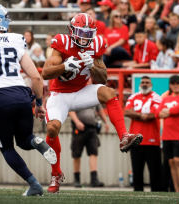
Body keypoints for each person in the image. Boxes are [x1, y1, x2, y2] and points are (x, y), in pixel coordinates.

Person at [42, 13, 143, 194]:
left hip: (81, 92)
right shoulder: (62, 43)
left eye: (88, 34)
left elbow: (102, 78)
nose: (84, 38)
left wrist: (93, 66)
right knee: (52, 129)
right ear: (72, 31)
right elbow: (46, 73)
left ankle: (124, 137)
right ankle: (56, 173)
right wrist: (64, 66)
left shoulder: (97, 44)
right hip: (60, 95)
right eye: (81, 33)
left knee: (109, 92)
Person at [0, 4, 57, 196]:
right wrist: (39, 105)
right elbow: (36, 78)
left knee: (7, 147)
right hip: (21, 96)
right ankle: (37, 141)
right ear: (6, 22)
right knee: (24, 141)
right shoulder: (16, 40)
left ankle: (34, 184)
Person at [69, 79, 109, 188]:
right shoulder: (76, 93)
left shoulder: (94, 95)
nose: (89, 81)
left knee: (93, 152)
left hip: (92, 128)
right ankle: (77, 179)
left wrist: (106, 122)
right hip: (79, 128)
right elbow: (70, 109)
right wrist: (77, 122)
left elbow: (99, 110)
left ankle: (94, 179)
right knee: (77, 153)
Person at [125, 76, 162, 192]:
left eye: (147, 82)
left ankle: (156, 194)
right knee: (137, 170)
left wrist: (136, 114)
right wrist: (142, 115)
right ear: (139, 84)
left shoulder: (156, 97)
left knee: (154, 170)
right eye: (143, 82)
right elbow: (126, 112)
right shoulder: (133, 96)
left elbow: (152, 116)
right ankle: (138, 194)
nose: (144, 84)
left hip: (152, 139)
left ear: (151, 84)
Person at [155, 75, 179, 192]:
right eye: (173, 83)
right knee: (170, 161)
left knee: (178, 160)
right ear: (170, 85)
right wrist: (169, 112)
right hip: (166, 135)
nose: (176, 85)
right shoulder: (165, 99)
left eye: (178, 83)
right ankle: (175, 188)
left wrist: (168, 111)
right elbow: (157, 114)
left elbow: (177, 110)